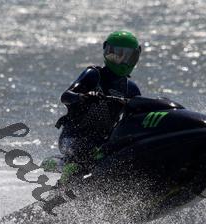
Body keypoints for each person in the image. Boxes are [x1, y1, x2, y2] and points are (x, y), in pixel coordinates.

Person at [51, 30, 143, 185]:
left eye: (127, 56)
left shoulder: (131, 89)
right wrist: (83, 96)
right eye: (115, 54)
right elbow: (66, 96)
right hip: (74, 137)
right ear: (106, 52)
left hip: (103, 142)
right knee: (85, 152)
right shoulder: (93, 74)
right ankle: (64, 185)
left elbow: (138, 115)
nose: (121, 60)